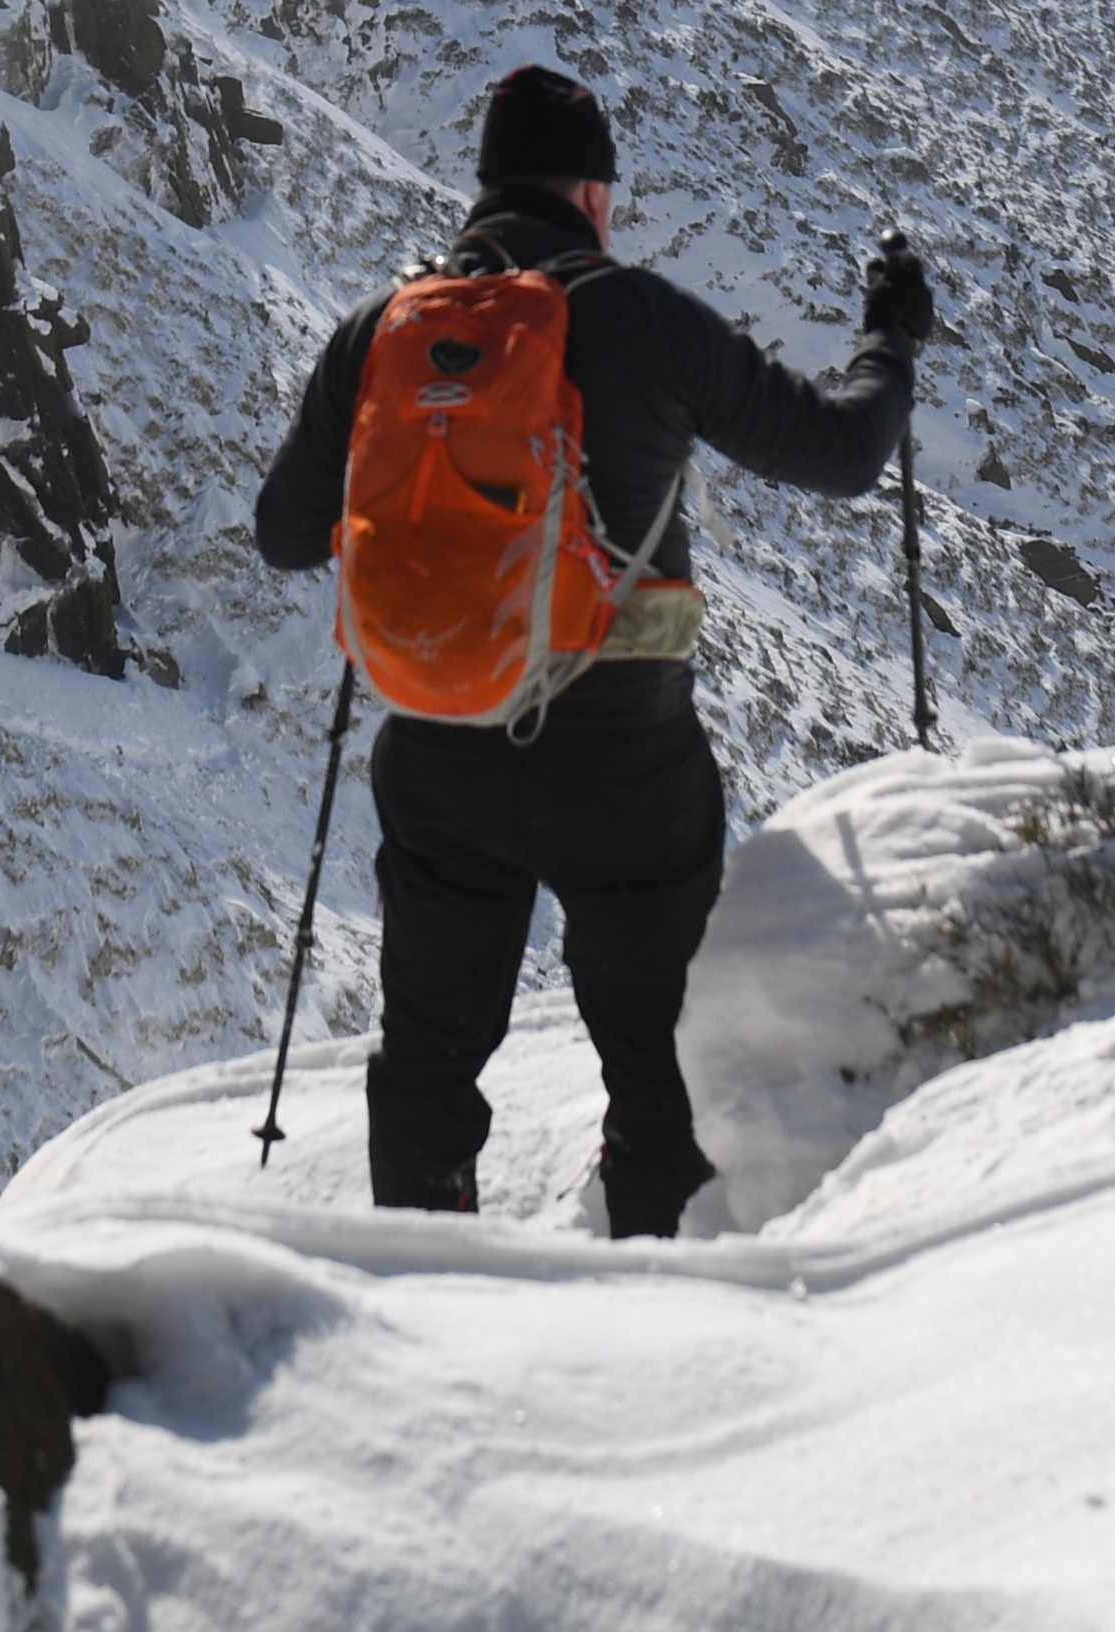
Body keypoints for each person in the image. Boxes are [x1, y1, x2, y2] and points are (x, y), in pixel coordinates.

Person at [252, 62, 934, 1236]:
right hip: (628, 765)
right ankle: (650, 1298)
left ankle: (424, 1278)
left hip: (441, 754)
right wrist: (892, 342)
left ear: (485, 189)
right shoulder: (640, 318)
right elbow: (841, 452)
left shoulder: (386, 329)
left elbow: (281, 535)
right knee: (663, 1067)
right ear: (593, 194)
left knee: (427, 1060)